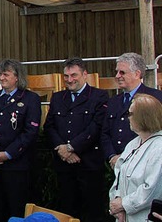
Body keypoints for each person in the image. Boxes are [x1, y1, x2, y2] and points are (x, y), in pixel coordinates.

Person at [44, 57, 108, 222]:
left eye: (74, 75)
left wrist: (71, 147)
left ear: (85, 74)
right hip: (64, 165)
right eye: (66, 76)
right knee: (68, 211)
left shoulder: (99, 96)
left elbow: (96, 128)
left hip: (89, 165)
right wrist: (62, 149)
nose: (69, 80)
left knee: (94, 212)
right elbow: (49, 126)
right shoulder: (58, 97)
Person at [0, 59, 41, 222]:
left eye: (6, 74)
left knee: (16, 210)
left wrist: (8, 154)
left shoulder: (30, 99)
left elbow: (30, 131)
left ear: (17, 77)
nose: (2, 78)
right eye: (0, 74)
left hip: (17, 165)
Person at [102, 52, 162, 168]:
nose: (117, 76)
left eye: (122, 72)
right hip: (116, 165)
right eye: (117, 72)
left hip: (145, 163)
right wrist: (112, 156)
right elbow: (105, 133)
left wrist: (129, 156)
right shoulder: (113, 102)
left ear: (137, 74)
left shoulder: (156, 98)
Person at [108, 94, 162, 222]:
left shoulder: (159, 147)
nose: (128, 118)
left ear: (144, 117)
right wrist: (117, 204)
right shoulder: (133, 143)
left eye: (131, 114)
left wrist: (124, 204)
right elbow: (119, 176)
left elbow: (152, 188)